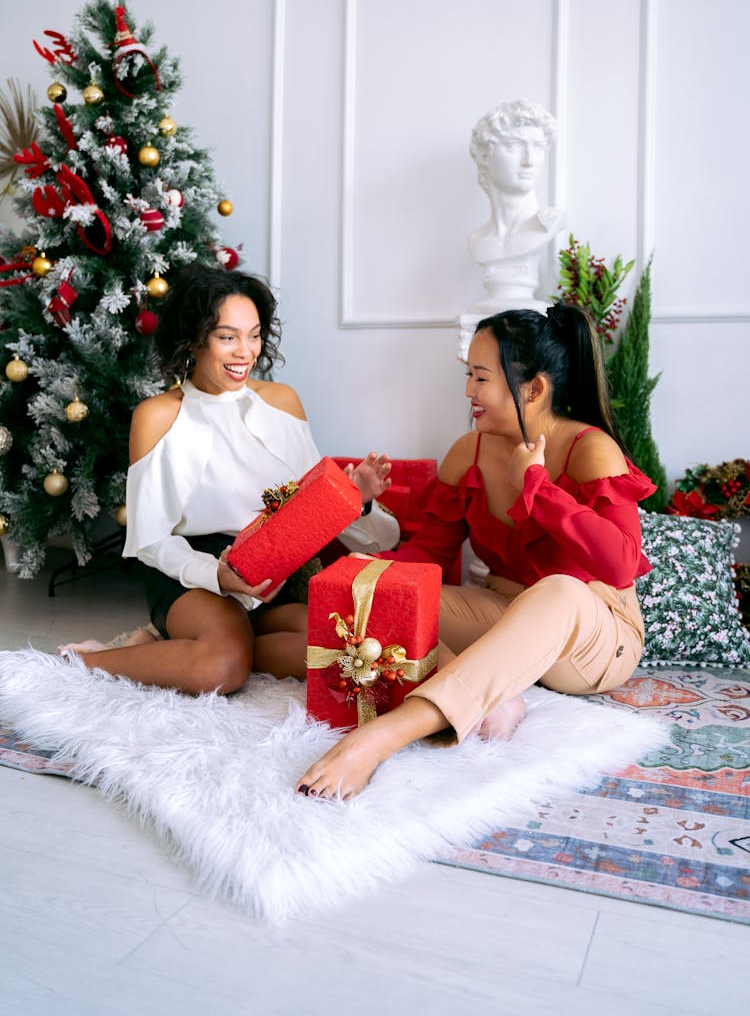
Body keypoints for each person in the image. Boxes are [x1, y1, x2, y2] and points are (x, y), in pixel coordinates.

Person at [296, 303, 655, 800]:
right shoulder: (468, 451)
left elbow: (620, 564)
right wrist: (363, 572)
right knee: (380, 591)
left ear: (533, 389)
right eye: (468, 375)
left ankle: (383, 737)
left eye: (480, 378)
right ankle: (495, 695)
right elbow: (430, 557)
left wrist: (537, 484)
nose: (468, 392)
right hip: (503, 608)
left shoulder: (589, 448)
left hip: (594, 631)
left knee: (560, 591)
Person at [60, 265, 398, 693]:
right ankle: (88, 660)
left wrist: (358, 498)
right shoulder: (157, 416)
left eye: (254, 335)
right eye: (227, 337)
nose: (246, 351)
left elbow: (364, 533)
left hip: (272, 575)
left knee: (347, 648)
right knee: (223, 665)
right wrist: (216, 574)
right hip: (190, 574)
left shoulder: (283, 403)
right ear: (193, 338)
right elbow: (149, 540)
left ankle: (174, 646)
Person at [468, 98, 565, 265]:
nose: (529, 161)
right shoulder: (478, 239)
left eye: (538, 147)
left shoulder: (549, 224)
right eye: (514, 146)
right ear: (484, 155)